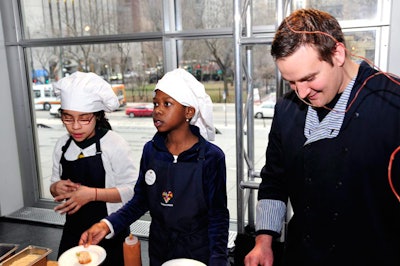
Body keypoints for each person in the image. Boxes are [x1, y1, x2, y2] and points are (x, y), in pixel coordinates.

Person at [244, 8, 400, 266]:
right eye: (292, 82)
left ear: (337, 53)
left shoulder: (392, 104)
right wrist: (264, 241)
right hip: (302, 254)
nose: (302, 93)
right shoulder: (286, 110)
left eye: (309, 78)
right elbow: (275, 180)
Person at [79, 68, 230, 265]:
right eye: (155, 103)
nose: (157, 110)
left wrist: (218, 259)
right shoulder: (151, 151)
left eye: (167, 104)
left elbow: (218, 215)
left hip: (197, 251)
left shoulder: (211, 157)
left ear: (189, 111)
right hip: (161, 248)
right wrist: (107, 225)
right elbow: (140, 200)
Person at [49, 71, 137, 265]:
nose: (75, 126)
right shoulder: (62, 145)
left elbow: (133, 191)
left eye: (84, 118)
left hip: (110, 230)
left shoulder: (114, 144)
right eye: (68, 118)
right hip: (73, 231)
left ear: (97, 116)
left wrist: (91, 194)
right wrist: (56, 188)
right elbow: (54, 182)